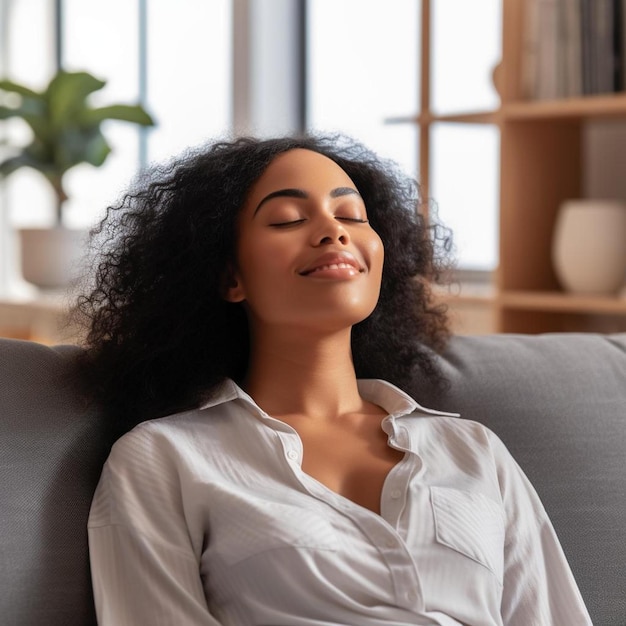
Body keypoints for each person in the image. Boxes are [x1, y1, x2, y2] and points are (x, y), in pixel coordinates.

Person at [77, 134, 592, 625]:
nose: (334, 230)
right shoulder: (163, 460)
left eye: (351, 215)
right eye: (288, 219)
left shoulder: (474, 451)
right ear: (230, 276)